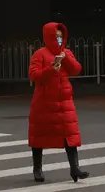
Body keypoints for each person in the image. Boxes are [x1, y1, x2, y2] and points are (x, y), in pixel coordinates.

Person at [28, 22, 88, 183]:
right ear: (49, 37)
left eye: (61, 37)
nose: (59, 40)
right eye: (56, 37)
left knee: (70, 135)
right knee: (39, 136)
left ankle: (75, 168)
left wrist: (66, 58)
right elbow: (33, 75)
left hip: (65, 103)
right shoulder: (40, 54)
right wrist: (51, 68)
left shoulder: (66, 52)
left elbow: (76, 69)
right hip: (44, 103)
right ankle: (37, 168)